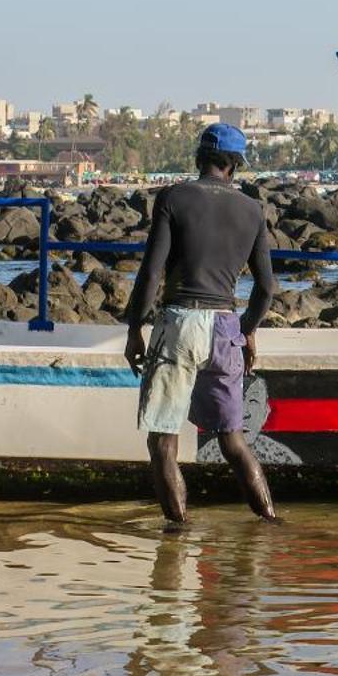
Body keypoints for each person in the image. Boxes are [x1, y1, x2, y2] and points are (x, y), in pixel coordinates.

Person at [123, 123, 280, 526]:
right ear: (236, 164)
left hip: (180, 321)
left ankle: (176, 537)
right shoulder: (251, 210)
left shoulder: (174, 198)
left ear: (199, 157)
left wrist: (133, 329)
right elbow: (266, 287)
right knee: (233, 439)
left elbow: (152, 273)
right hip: (226, 325)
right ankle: (270, 521)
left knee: (162, 439)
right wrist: (245, 331)